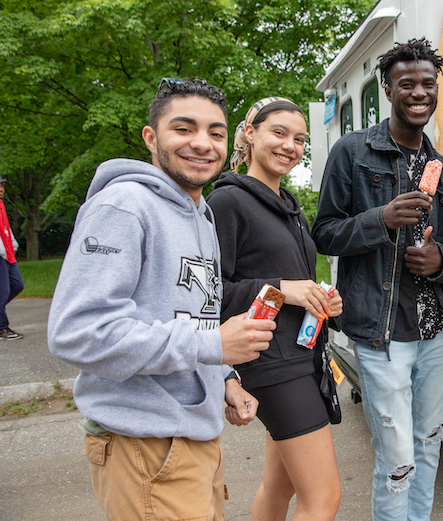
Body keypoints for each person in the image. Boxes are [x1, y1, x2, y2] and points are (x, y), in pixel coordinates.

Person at [48, 78, 275, 521]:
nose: (202, 143)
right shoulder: (124, 205)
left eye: (215, 132)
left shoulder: (202, 213)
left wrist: (225, 376)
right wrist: (211, 347)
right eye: (184, 129)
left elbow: (196, 314)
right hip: (144, 444)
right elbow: (76, 332)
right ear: (151, 137)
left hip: (196, 437)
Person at [312, 38, 443, 521]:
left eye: (427, 84)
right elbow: (325, 234)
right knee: (397, 459)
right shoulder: (353, 153)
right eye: (407, 84)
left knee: (428, 443)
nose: (419, 92)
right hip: (382, 335)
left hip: (435, 333)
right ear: (387, 89)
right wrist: (382, 218)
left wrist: (441, 261)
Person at [206, 97, 343, 521]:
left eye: (299, 138)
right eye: (278, 133)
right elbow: (213, 294)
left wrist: (321, 300)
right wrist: (287, 290)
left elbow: (293, 282)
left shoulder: (289, 204)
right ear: (250, 133)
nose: (290, 145)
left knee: (278, 487)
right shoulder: (227, 202)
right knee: (323, 499)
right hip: (272, 365)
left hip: (303, 354)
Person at [0, 175, 23, 339]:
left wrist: (12, 244)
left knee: (17, 285)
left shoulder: (1, 205)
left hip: (8, 254)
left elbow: (5, 227)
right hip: (0, 254)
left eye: (2, 186)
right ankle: (2, 328)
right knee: (3, 291)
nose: (1, 189)